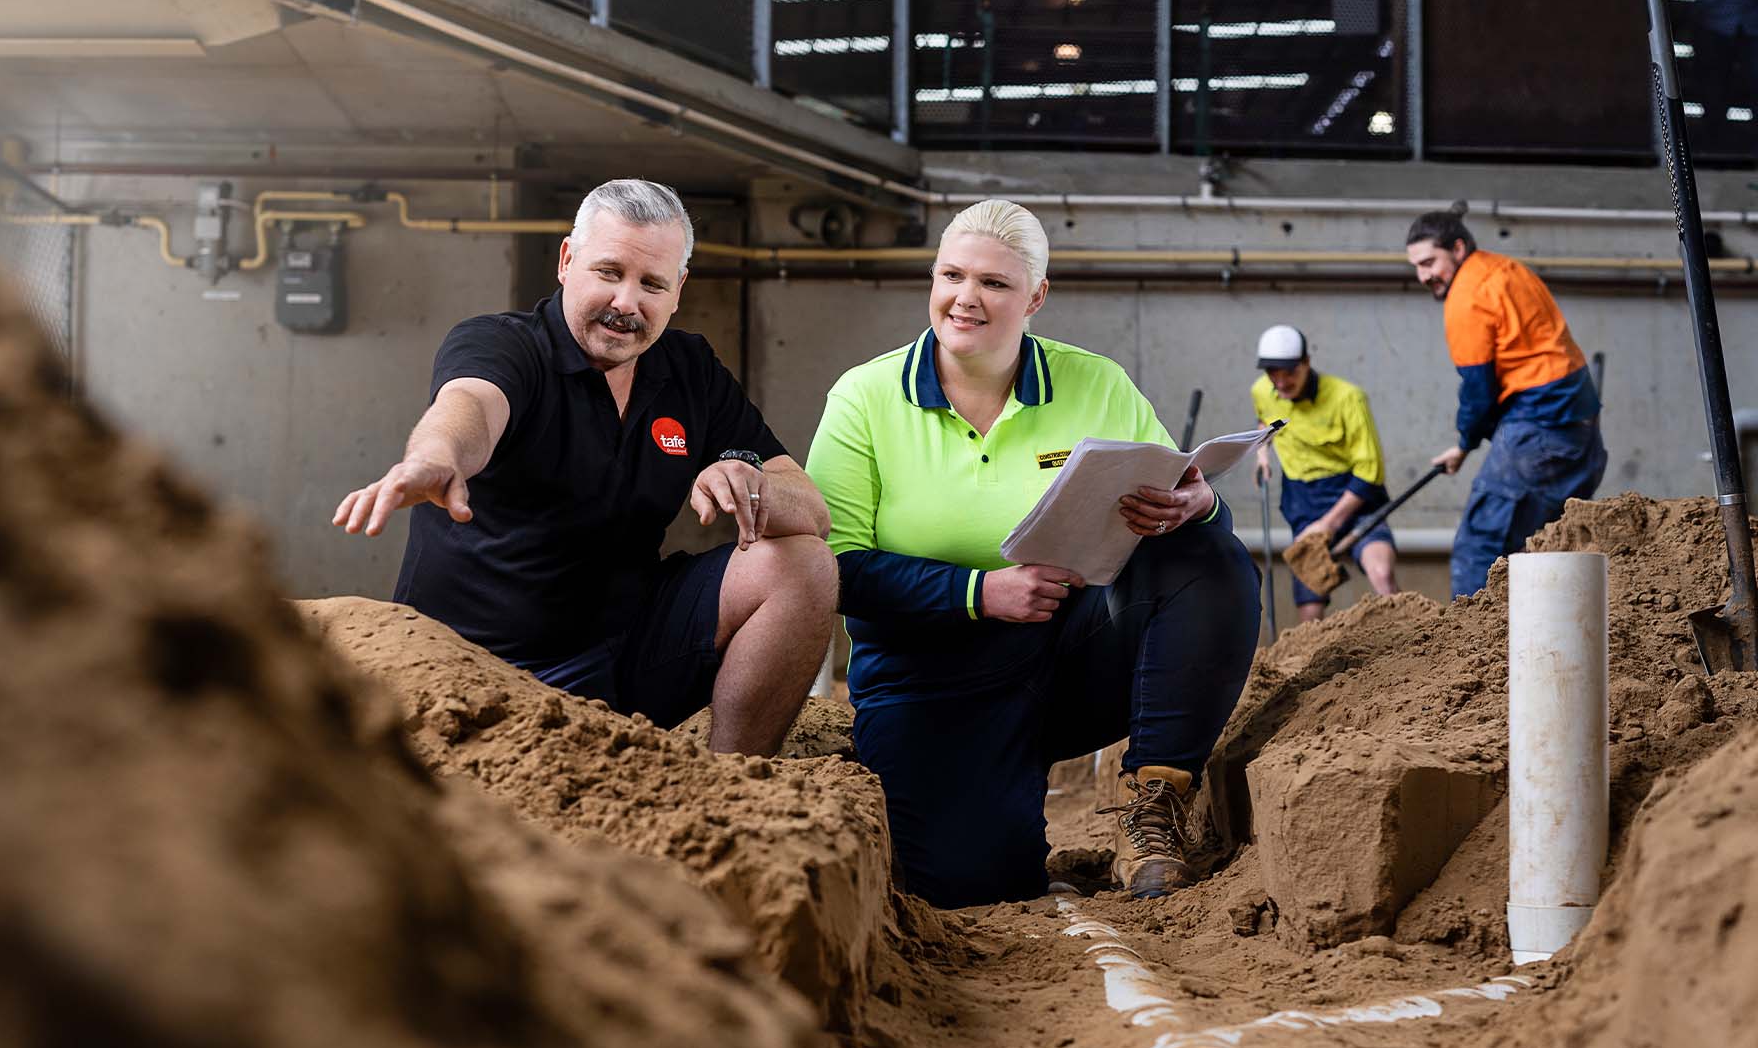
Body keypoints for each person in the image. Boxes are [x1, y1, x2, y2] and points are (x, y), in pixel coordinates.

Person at [805, 199, 1260, 907]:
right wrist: (978, 593)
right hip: (928, 682)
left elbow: (1187, 494)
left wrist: (1197, 503)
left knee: (1208, 555)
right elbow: (834, 569)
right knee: (971, 886)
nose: (966, 298)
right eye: (952, 275)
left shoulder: (1096, 383)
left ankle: (1154, 806)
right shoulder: (865, 398)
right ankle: (998, 820)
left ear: (1035, 297)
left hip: (1069, 656)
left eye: (994, 283)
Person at [334, 179, 836, 756]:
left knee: (805, 563)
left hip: (622, 659)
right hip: (478, 670)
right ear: (567, 261)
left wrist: (757, 489)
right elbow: (470, 405)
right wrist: (436, 457)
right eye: (609, 272)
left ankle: (730, 787)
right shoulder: (506, 346)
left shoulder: (689, 369)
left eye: (652, 283)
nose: (628, 302)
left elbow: (812, 509)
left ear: (678, 291)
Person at [1405, 209, 1605, 598]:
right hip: (1581, 428)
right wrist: (1468, 443)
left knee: (1479, 548)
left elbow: (1479, 389)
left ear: (1458, 248)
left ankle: (1468, 650)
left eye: (1429, 262)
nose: (1423, 276)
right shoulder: (1508, 269)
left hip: (1539, 425)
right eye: (1416, 266)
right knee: (1540, 548)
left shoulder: (1466, 296)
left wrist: (1465, 442)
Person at [1249, 324, 1399, 620]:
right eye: (1272, 373)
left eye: (1289, 372)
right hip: (1303, 499)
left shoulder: (1348, 398)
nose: (1280, 381)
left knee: (1381, 574)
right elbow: (1264, 419)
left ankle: (1418, 646)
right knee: (1310, 608)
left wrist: (1330, 523)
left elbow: (1371, 472)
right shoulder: (1262, 391)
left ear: (1306, 362)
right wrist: (1261, 450)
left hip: (1354, 496)